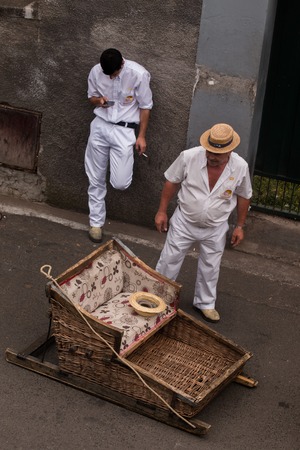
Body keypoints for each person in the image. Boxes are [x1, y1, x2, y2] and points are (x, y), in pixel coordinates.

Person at [155, 123, 252, 323]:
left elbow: (244, 196)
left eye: (218, 155)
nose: (212, 157)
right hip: (184, 221)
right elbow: (171, 182)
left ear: (230, 151)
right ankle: (159, 297)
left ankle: (205, 304)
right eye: (209, 152)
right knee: (169, 259)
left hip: (216, 227)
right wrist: (162, 211)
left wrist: (240, 226)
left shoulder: (240, 166)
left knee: (211, 266)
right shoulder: (188, 156)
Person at [85, 48, 153, 243]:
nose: (111, 76)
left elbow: (146, 106)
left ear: (121, 64)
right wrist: (99, 101)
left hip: (124, 131)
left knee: (120, 182)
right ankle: (96, 223)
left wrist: (141, 136)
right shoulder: (97, 71)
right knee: (95, 177)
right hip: (100, 125)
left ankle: (99, 216)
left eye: (114, 73)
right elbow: (91, 97)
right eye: (108, 74)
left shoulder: (138, 73)